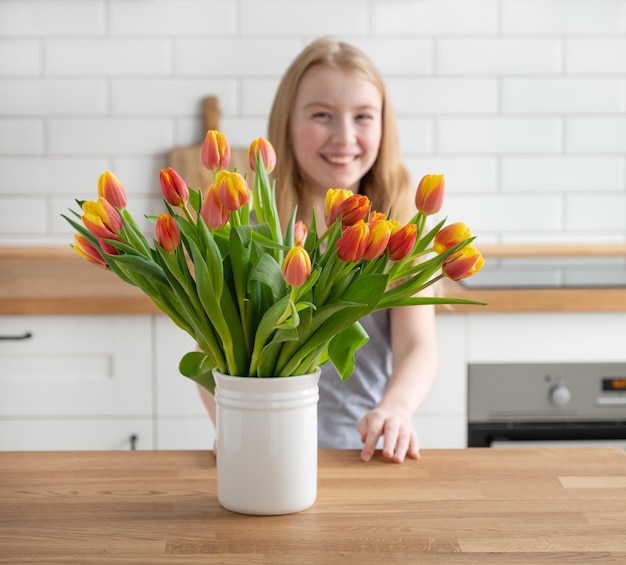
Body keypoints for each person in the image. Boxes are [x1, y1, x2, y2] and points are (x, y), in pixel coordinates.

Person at [199, 36, 438, 464]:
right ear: (286, 124)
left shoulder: (395, 237)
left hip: (362, 451)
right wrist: (232, 424)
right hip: (265, 451)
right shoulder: (245, 236)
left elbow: (417, 346)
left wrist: (397, 409)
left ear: (384, 127)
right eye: (322, 115)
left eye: (363, 116)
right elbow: (211, 352)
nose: (344, 136)